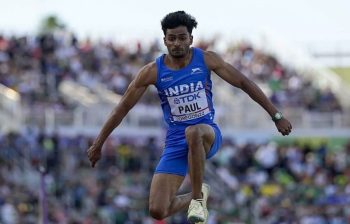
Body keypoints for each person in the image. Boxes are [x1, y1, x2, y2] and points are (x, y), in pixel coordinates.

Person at [87, 10, 292, 223]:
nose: (177, 43)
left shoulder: (206, 59)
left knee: (193, 131)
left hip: (207, 135)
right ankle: (199, 193)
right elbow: (121, 108)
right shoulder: (152, 72)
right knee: (158, 210)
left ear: (191, 39)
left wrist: (276, 115)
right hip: (176, 144)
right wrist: (98, 143)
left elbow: (243, 83)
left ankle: (196, 201)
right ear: (165, 41)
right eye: (172, 38)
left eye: (182, 38)